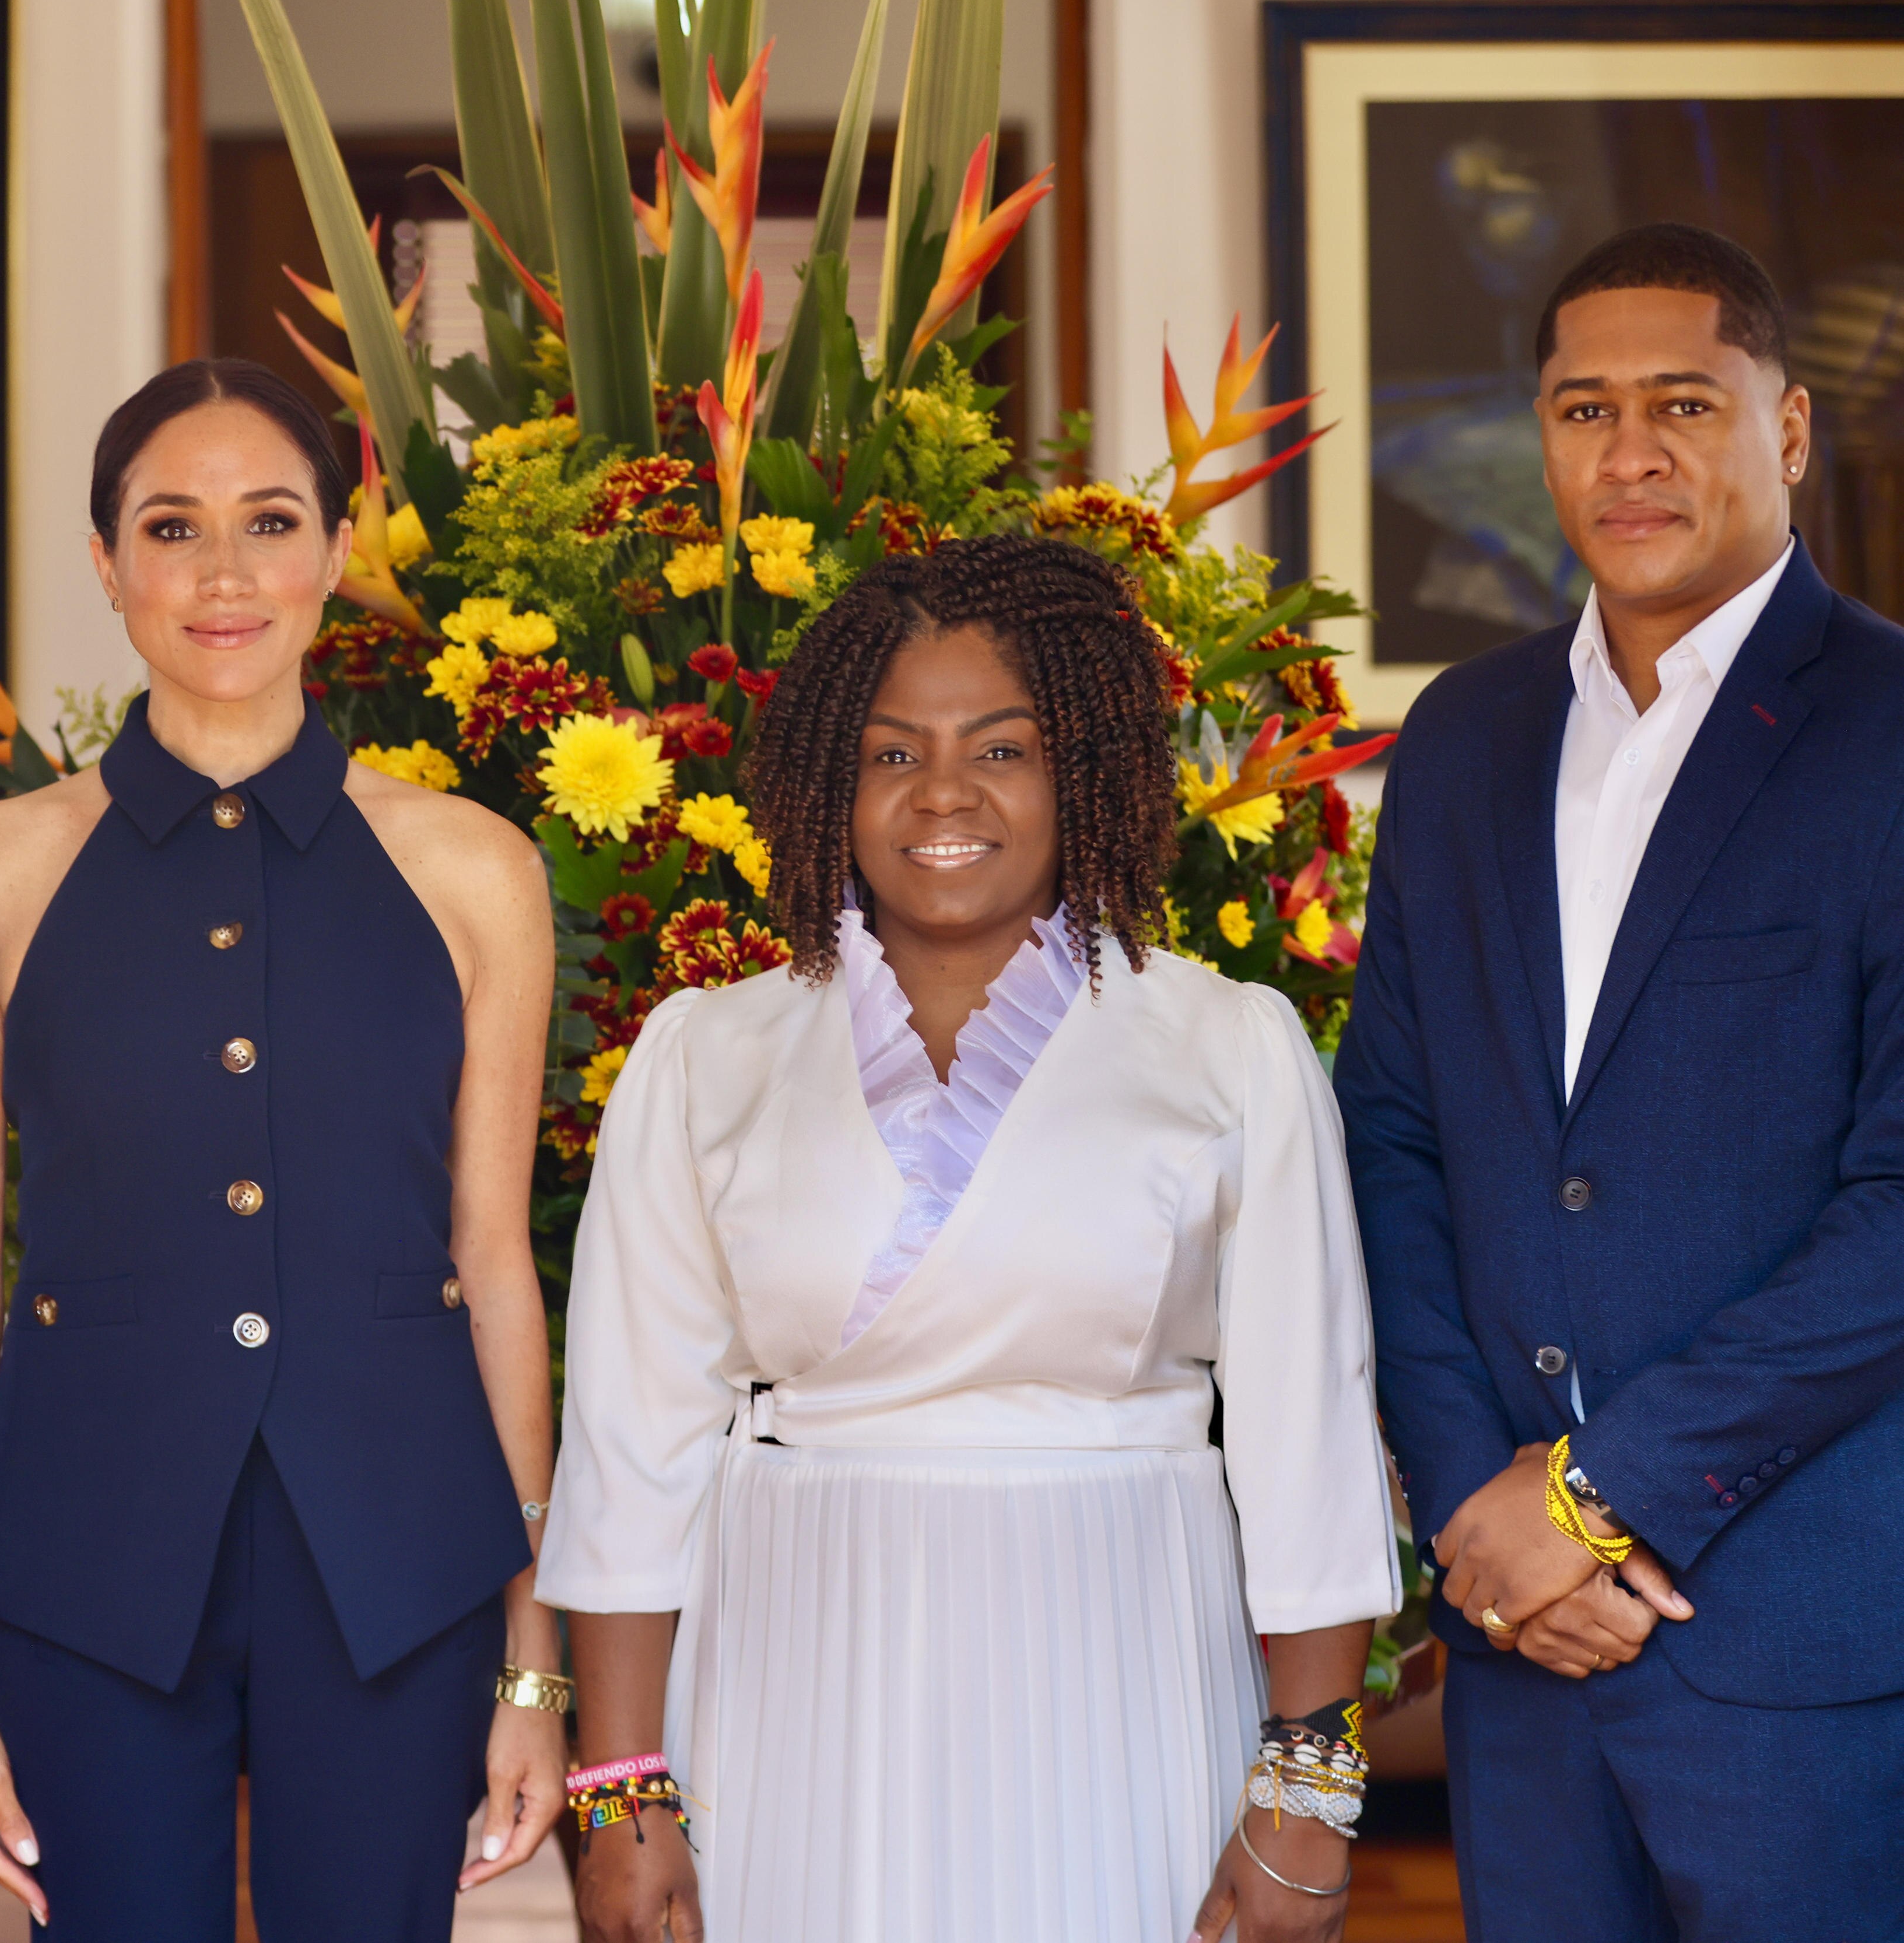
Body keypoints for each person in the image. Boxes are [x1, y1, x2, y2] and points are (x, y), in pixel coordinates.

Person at [542, 535, 1404, 1943]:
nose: (943, 794)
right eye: (890, 754)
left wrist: (1307, 1788)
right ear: (830, 780)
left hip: (1123, 1653)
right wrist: (621, 1786)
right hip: (788, 1672)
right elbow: (633, 1449)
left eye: (1001, 748)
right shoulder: (708, 1052)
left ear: (1087, 769)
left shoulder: (1224, 1046)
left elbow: (1306, 1446)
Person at [0, 358, 568, 1940]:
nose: (222, 572)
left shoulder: (477, 871)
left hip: (402, 1570)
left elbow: (497, 1267)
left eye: (270, 522)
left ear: (339, 550)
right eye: (171, 525)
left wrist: (533, 1664)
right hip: (83, 1567)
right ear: (107, 563)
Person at [1338, 222, 1904, 1939]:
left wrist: (1597, 1496)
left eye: (1684, 402)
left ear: (1789, 427)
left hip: (1798, 1650)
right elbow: (1398, 1135)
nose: (1630, 451)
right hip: (1526, 1658)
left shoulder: (1891, 728)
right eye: (1584, 409)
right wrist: (1477, 1516)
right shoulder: (1464, 738)